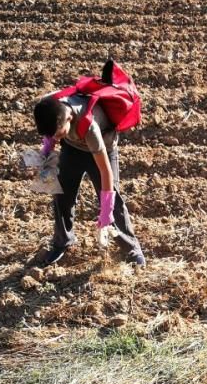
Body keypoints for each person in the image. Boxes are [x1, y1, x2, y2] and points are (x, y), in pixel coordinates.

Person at [33, 92, 145, 267]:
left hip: (103, 150)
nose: (55, 138)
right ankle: (62, 241)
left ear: (69, 118)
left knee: (113, 202)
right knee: (61, 194)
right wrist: (47, 149)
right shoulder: (51, 109)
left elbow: (105, 171)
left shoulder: (90, 126)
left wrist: (105, 211)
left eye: (57, 134)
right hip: (72, 148)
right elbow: (50, 131)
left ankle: (132, 249)